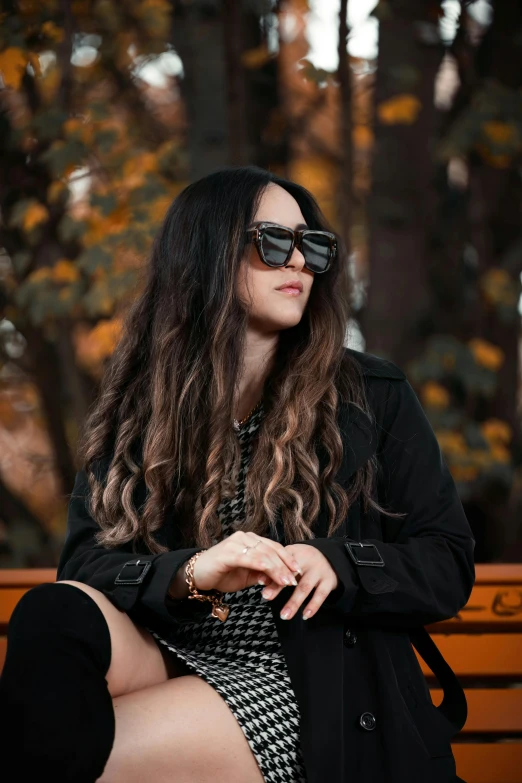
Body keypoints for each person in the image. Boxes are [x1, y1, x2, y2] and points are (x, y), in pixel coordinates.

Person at [0, 165, 475, 783]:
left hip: (302, 684)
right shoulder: (139, 404)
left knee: (58, 750)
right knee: (51, 614)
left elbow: (447, 560)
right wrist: (190, 574)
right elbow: (87, 565)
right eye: (273, 242)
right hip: (173, 651)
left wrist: (342, 563)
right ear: (205, 256)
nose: (299, 263)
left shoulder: (369, 394)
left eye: (313, 246)